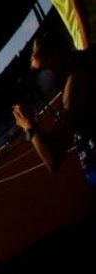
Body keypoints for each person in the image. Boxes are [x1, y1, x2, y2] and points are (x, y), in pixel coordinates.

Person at [12, 31, 96, 186]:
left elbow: (53, 159)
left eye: (42, 68)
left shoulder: (75, 82)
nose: (41, 76)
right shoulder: (77, 71)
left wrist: (30, 127)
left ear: (57, 54)